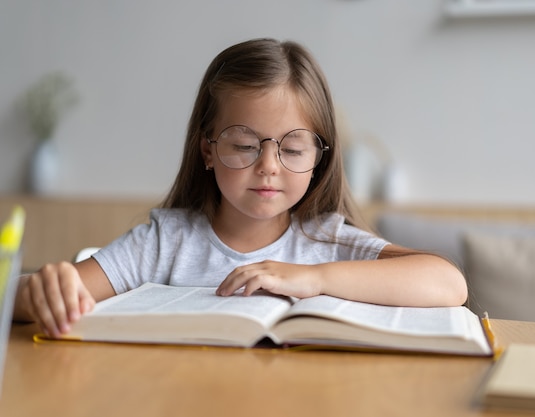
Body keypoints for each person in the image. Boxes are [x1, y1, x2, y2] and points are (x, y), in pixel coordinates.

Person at [13, 38, 467, 338]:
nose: (268, 167)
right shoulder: (164, 242)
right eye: (245, 144)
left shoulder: (328, 242)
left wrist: (313, 279)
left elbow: (448, 283)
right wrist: (38, 292)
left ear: (319, 157)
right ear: (208, 149)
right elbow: (24, 297)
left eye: (292, 150)